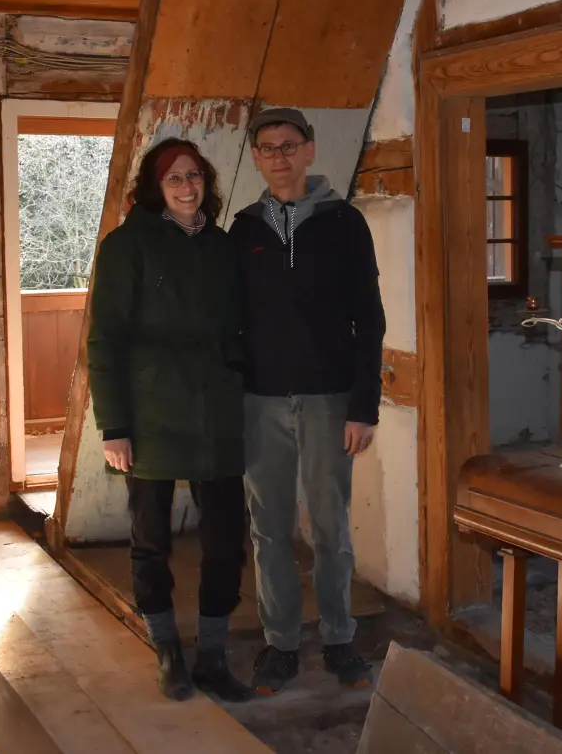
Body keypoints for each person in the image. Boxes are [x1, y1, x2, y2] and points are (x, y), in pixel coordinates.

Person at [86, 137, 252, 703]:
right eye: (174, 178)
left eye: (194, 176)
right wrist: (114, 426)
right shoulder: (125, 247)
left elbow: (241, 327)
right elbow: (104, 340)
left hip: (216, 414)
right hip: (151, 413)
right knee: (150, 541)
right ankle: (166, 650)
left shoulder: (223, 247)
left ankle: (211, 653)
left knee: (226, 540)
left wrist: (237, 373)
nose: (187, 187)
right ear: (156, 189)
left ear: (206, 181)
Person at [229, 108, 387, 695]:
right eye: (268, 148)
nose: (280, 157)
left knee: (329, 528)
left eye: (289, 146)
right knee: (268, 529)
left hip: (329, 399)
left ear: (310, 150)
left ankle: (340, 638)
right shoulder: (242, 231)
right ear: (256, 157)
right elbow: (232, 323)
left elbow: (368, 319)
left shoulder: (345, 223)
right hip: (259, 402)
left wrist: (363, 405)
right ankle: (281, 644)